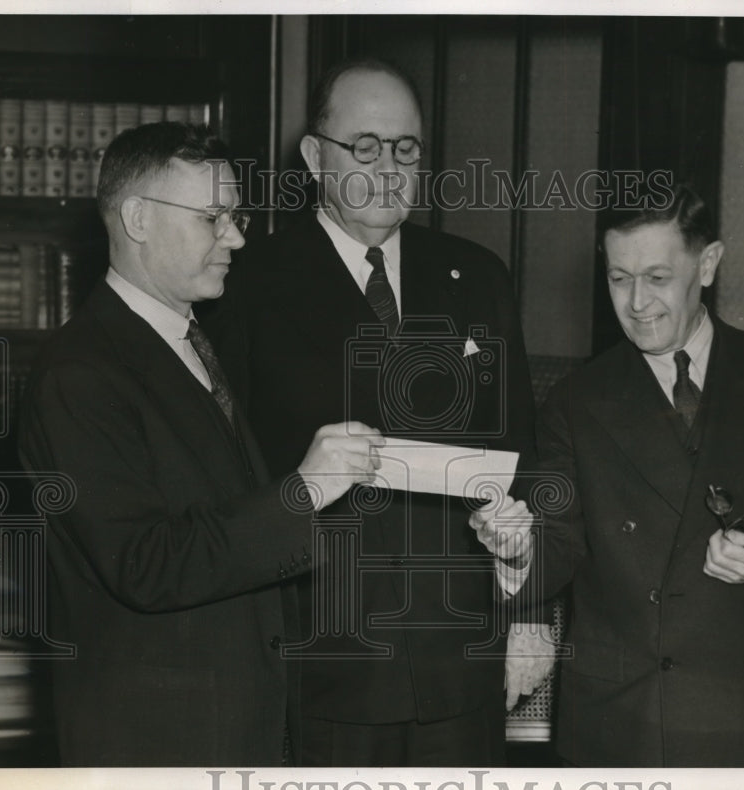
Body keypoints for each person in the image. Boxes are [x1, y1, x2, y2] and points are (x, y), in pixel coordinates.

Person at [203, 59, 551, 766]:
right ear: (313, 157)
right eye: (364, 146)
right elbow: (222, 478)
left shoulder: (477, 276)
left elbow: (524, 459)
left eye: (405, 148)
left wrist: (530, 613)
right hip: (321, 663)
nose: (387, 168)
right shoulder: (245, 285)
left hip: (464, 665)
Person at [17, 122, 382, 767]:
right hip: (156, 739)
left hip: (228, 725)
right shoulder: (78, 374)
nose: (237, 237)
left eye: (235, 216)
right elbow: (144, 562)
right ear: (137, 219)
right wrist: (301, 494)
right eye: (213, 217)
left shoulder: (191, 340)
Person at [471, 184, 744, 766]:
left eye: (657, 277)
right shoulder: (575, 401)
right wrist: (515, 550)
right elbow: (561, 546)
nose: (637, 303)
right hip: (622, 720)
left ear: (709, 264)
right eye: (619, 279)